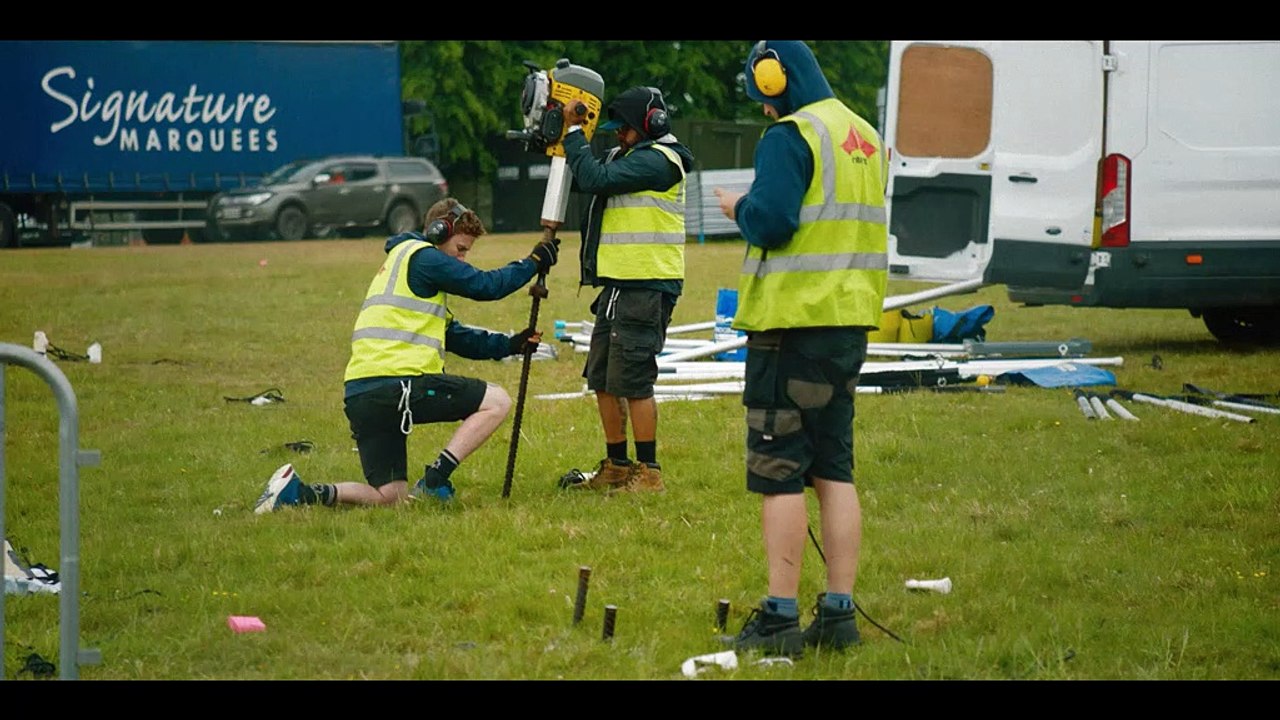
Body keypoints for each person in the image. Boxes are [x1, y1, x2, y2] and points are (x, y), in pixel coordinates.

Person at [714, 41, 889, 656]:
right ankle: (838, 615)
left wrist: (740, 206)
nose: (764, 109)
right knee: (833, 468)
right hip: (847, 325)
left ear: (775, 77)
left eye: (763, 95)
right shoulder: (865, 136)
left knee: (779, 470)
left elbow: (774, 221)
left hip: (791, 328)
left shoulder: (790, 135)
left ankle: (780, 617)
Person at [253, 198, 561, 513]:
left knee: (390, 496)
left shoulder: (405, 268)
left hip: (361, 396)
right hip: (398, 386)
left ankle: (301, 494)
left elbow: (457, 337)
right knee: (497, 401)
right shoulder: (424, 258)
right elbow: (485, 286)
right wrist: (532, 263)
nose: (462, 258)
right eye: (460, 249)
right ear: (439, 232)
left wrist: (509, 345)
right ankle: (435, 479)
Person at [556, 85, 696, 494]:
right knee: (602, 377)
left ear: (651, 124)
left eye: (625, 128)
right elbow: (584, 174)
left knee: (634, 380)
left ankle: (649, 472)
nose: (618, 135)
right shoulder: (629, 156)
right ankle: (617, 465)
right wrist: (558, 139)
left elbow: (593, 177)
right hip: (620, 284)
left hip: (647, 285)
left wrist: (573, 133)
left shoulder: (660, 161)